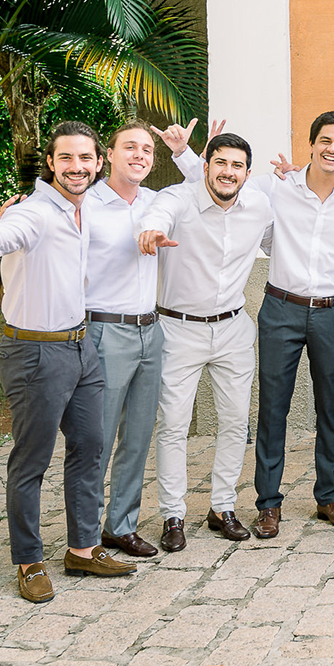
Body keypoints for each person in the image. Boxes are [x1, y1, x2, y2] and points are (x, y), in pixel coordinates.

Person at [0, 121, 136, 602]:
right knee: (31, 460)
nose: (77, 167)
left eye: (86, 159)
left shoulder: (84, 208)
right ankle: (28, 562)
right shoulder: (33, 213)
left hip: (80, 345)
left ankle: (83, 550)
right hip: (33, 351)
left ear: (97, 163)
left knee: (90, 448)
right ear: (51, 163)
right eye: (66, 158)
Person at [164, 112, 334, 537]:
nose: (332, 149)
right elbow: (220, 184)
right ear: (312, 144)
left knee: (330, 408)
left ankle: (329, 498)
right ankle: (268, 504)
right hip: (281, 308)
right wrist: (185, 153)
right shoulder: (276, 187)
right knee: (272, 408)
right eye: (325, 140)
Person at [138, 132, 274, 550]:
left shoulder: (259, 207)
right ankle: (173, 515)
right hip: (178, 328)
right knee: (174, 426)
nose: (228, 172)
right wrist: (152, 232)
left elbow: (278, 241)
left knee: (235, 423)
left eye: (237, 166)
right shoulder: (177, 199)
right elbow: (156, 214)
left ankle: (222, 507)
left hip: (233, 328)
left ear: (247, 174)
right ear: (206, 166)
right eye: (221, 163)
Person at [85, 120, 167, 558]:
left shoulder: (158, 203)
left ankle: (121, 526)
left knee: (137, 436)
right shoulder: (87, 203)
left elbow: (204, 188)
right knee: (96, 438)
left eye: (148, 150)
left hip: (150, 331)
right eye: (130, 147)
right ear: (108, 155)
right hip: (104, 330)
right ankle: (84, 533)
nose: (139, 155)